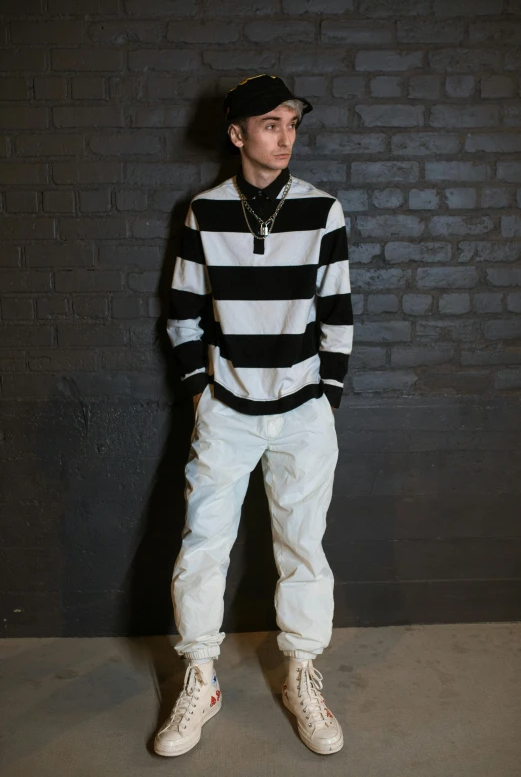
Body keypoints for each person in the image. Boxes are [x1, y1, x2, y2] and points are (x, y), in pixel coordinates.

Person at [154, 74, 354, 758]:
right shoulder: (203, 211)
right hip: (227, 410)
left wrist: (325, 395)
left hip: (303, 412)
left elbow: (338, 312)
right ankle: (201, 678)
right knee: (202, 546)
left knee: (304, 547)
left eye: (292, 123)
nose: (286, 135)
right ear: (237, 134)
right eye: (270, 123)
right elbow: (181, 311)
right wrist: (199, 392)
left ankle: (302, 673)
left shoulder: (324, 210)